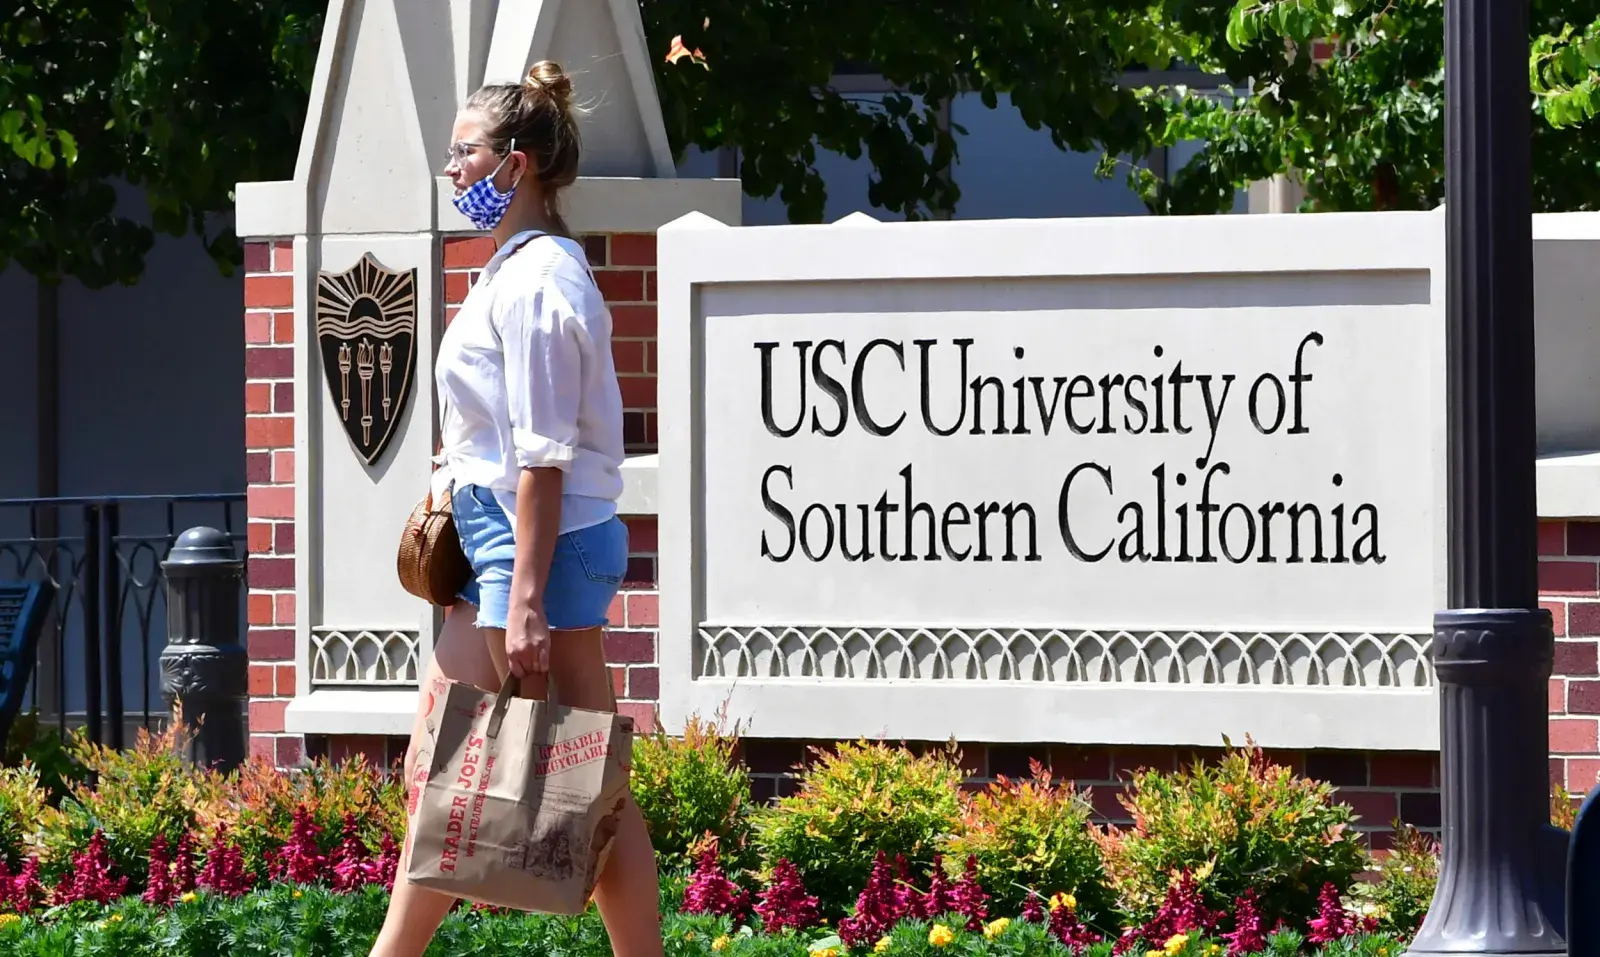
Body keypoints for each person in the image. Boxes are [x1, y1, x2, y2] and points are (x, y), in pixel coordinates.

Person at [369, 61, 663, 957]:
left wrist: (524, 598)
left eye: (465, 154)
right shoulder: (515, 268)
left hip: (540, 547)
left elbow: (543, 458)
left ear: (518, 162)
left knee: (538, 775)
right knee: (523, 773)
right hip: (520, 542)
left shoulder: (540, 284)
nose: (453, 172)